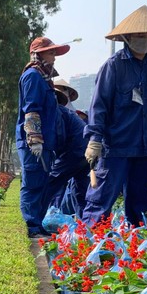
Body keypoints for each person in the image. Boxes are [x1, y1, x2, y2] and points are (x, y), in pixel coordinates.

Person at [82, 5, 147, 227]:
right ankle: (88, 250)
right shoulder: (113, 66)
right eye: (140, 35)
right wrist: (94, 139)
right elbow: (99, 106)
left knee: (140, 206)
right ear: (127, 37)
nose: (145, 39)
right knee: (101, 201)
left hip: (145, 148)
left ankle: (135, 249)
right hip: (116, 146)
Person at [17, 36, 70, 238]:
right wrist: (35, 138)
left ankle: (37, 225)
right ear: (37, 54)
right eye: (50, 53)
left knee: (41, 183)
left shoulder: (43, 78)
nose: (54, 57)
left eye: (54, 53)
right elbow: (31, 109)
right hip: (34, 142)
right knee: (32, 183)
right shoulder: (32, 76)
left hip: (46, 141)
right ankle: (31, 226)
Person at [41, 83, 89, 217]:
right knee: (80, 189)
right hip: (84, 151)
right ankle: (86, 224)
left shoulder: (57, 112)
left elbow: (59, 137)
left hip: (75, 150)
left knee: (51, 182)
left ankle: (36, 218)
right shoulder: (64, 112)